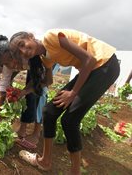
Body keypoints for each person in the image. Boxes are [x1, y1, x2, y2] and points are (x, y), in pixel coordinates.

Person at [9, 29, 120, 174]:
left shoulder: (51, 37)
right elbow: (48, 81)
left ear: (30, 36)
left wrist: (73, 93)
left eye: (22, 44)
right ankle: (45, 161)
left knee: (70, 120)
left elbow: (89, 60)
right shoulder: (45, 58)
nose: (24, 50)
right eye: (19, 51)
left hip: (105, 64)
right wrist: (23, 92)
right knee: (48, 112)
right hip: (92, 69)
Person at [0, 41, 52, 149]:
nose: (11, 65)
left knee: (40, 93)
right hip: (33, 67)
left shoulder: (35, 56)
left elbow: (43, 81)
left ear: (16, 52)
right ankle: (22, 130)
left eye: (11, 59)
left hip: (49, 63)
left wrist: (25, 91)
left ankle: (36, 133)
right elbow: (3, 88)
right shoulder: (9, 65)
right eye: (6, 63)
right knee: (28, 93)